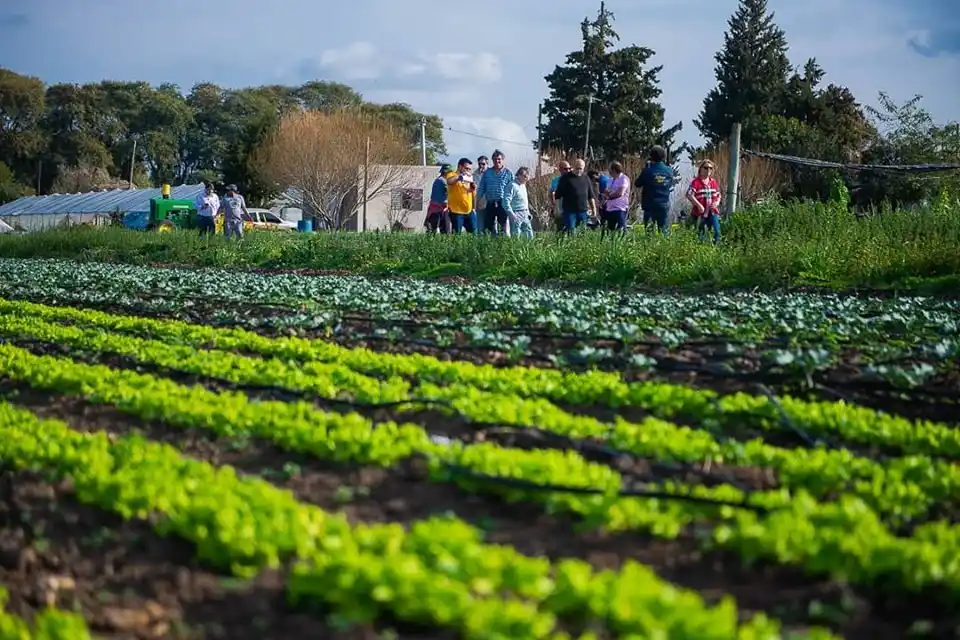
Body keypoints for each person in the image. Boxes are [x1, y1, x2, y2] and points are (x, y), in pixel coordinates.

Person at [635, 146, 674, 234]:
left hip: (650, 205)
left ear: (651, 157)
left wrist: (646, 167)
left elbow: (637, 183)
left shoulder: (648, 171)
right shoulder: (669, 170)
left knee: (649, 233)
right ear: (663, 156)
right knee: (663, 232)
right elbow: (670, 184)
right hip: (664, 205)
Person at [554, 158, 596, 233]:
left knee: (583, 232)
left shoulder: (586, 178)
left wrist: (594, 209)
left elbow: (590, 196)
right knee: (571, 232)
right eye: (577, 168)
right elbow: (557, 195)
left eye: (580, 169)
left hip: (583, 211)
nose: (578, 170)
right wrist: (557, 209)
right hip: (569, 211)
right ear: (573, 167)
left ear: (583, 168)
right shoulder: (566, 178)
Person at [476, 149, 513, 235]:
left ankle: (505, 241)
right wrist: (478, 201)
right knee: (489, 227)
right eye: (495, 159)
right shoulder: (487, 173)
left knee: (504, 226)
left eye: (499, 159)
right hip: (490, 203)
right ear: (492, 160)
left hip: (503, 203)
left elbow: (513, 189)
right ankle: (491, 241)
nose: (497, 161)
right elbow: (482, 188)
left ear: (502, 160)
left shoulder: (508, 173)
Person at [687, 159, 722, 243]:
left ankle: (715, 248)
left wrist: (717, 203)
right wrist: (699, 205)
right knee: (699, 235)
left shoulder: (713, 182)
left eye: (711, 168)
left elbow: (718, 195)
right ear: (701, 169)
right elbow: (689, 194)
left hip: (712, 212)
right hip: (700, 213)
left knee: (716, 232)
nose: (708, 170)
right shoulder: (696, 182)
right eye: (706, 168)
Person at [445, 157, 477, 234]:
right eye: (466, 168)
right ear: (460, 166)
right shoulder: (452, 174)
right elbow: (449, 181)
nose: (468, 171)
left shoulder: (468, 177)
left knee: (475, 233)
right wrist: (460, 177)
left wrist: (473, 188)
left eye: (469, 169)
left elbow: (472, 193)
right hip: (456, 211)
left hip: (469, 211)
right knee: (457, 234)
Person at [503, 166, 534, 238]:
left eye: (528, 176)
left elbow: (525, 201)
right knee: (516, 235)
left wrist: (528, 213)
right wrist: (511, 214)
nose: (527, 178)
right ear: (519, 175)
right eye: (525, 176)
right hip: (516, 213)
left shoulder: (523, 185)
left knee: (529, 234)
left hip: (525, 213)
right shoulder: (512, 185)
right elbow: (505, 201)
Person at [601, 161, 630, 235]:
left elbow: (620, 193)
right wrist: (605, 196)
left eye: (610, 170)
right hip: (610, 208)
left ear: (614, 170)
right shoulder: (610, 180)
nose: (609, 171)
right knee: (610, 230)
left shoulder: (624, 179)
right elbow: (606, 190)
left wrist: (609, 197)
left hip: (620, 208)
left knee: (621, 229)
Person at [426, 164, 451, 233]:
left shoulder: (437, 180)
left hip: (434, 209)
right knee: (445, 231)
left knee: (433, 231)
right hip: (440, 209)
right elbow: (450, 192)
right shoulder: (443, 181)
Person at [550, 161, 570, 231]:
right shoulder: (555, 181)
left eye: (569, 168)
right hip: (559, 210)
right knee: (560, 230)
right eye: (566, 169)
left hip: (571, 209)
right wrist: (553, 204)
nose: (568, 171)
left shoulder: (574, 180)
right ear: (560, 169)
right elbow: (551, 192)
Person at [471, 155, 488, 232]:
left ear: (487, 164)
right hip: (479, 203)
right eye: (479, 164)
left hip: (489, 203)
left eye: (483, 164)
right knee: (480, 225)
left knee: (491, 225)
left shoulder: (490, 173)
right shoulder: (474, 174)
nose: (481, 166)